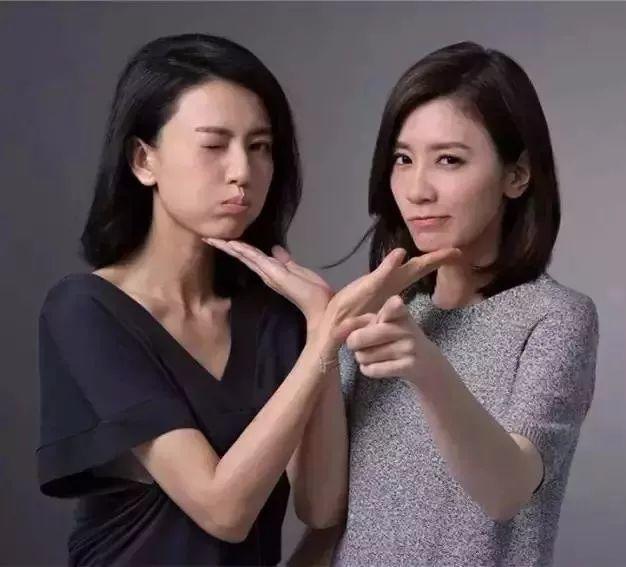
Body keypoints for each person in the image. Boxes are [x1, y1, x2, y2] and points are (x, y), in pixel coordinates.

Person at [36, 33, 458, 566]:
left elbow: (321, 505)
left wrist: (318, 320)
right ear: (144, 160)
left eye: (259, 147)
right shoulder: (86, 310)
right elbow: (223, 509)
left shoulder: (275, 316)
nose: (242, 172)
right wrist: (325, 337)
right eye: (214, 145)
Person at [293, 41, 599, 567]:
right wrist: (323, 330)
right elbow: (320, 509)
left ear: (517, 175)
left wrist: (429, 370)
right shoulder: (376, 312)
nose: (417, 189)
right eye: (403, 159)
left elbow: (506, 492)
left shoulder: (554, 318)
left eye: (449, 160)